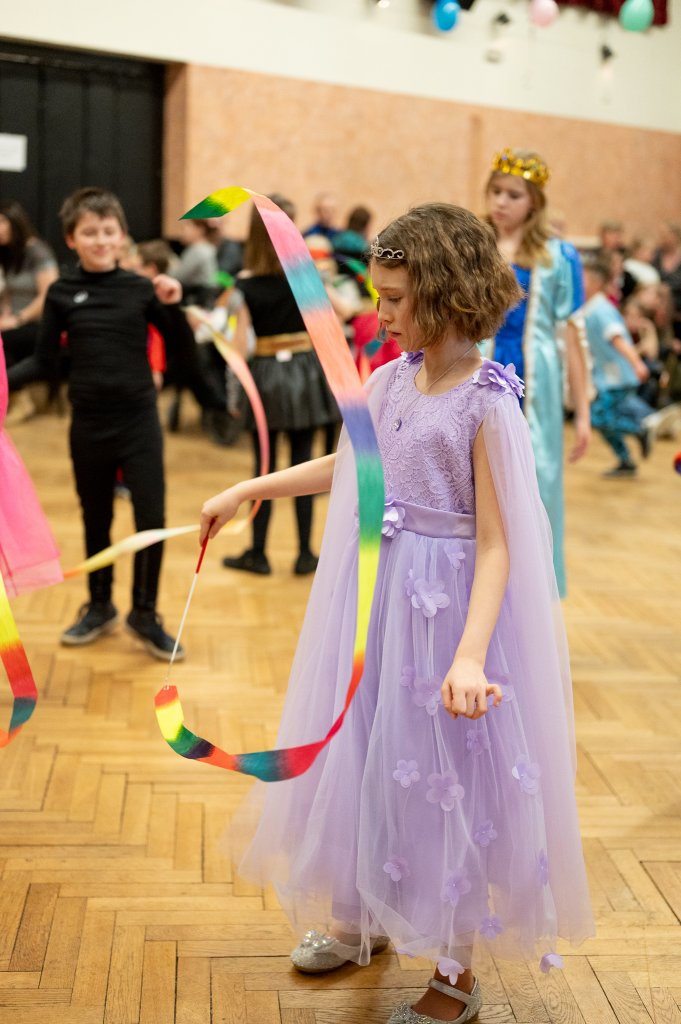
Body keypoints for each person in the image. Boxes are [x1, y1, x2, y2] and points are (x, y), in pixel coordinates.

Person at [200, 203, 594, 1024]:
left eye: (393, 299)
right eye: (378, 297)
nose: (377, 314)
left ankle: (454, 971)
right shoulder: (386, 380)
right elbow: (348, 462)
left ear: (445, 296)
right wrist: (249, 489)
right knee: (364, 750)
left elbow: (498, 544)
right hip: (375, 601)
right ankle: (360, 921)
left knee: (443, 780)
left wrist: (469, 655)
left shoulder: (487, 402)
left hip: (446, 615)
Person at [7, 186, 218, 660]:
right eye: (89, 233)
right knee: (96, 517)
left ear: (122, 236)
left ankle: (145, 613)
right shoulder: (61, 293)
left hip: (138, 422)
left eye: (108, 231)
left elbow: (184, 355)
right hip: (88, 424)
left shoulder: (143, 289)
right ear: (71, 239)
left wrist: (173, 305)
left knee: (151, 519)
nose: (100, 241)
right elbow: (43, 362)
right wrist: (4, 382)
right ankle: (99, 605)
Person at [484, 148, 591, 597]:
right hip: (479, 372)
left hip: (535, 381)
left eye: (514, 195)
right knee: (479, 480)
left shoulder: (558, 255)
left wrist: (582, 412)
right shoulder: (472, 245)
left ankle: (531, 593)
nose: (501, 202)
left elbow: (572, 335)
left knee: (538, 480)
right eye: (495, 191)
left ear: (534, 202)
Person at [222, 195, 337, 576]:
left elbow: (238, 347)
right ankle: (305, 554)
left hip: (266, 377)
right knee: (304, 464)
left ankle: (258, 553)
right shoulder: (305, 277)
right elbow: (336, 318)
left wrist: (233, 394)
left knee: (265, 467)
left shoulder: (244, 284)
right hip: (305, 374)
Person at [580, 257, 654, 478]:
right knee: (604, 419)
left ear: (595, 282)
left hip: (617, 376)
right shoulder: (591, 308)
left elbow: (617, 339)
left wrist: (637, 363)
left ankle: (641, 430)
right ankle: (626, 460)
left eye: (582, 277)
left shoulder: (601, 310)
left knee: (598, 418)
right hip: (609, 376)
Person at [0, 200, 58, 369]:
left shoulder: (37, 250)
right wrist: (5, 316)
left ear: (15, 222)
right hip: (14, 322)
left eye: (2, 221)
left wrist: (17, 319)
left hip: (36, 324)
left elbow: (49, 295)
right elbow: (8, 293)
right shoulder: (8, 253)